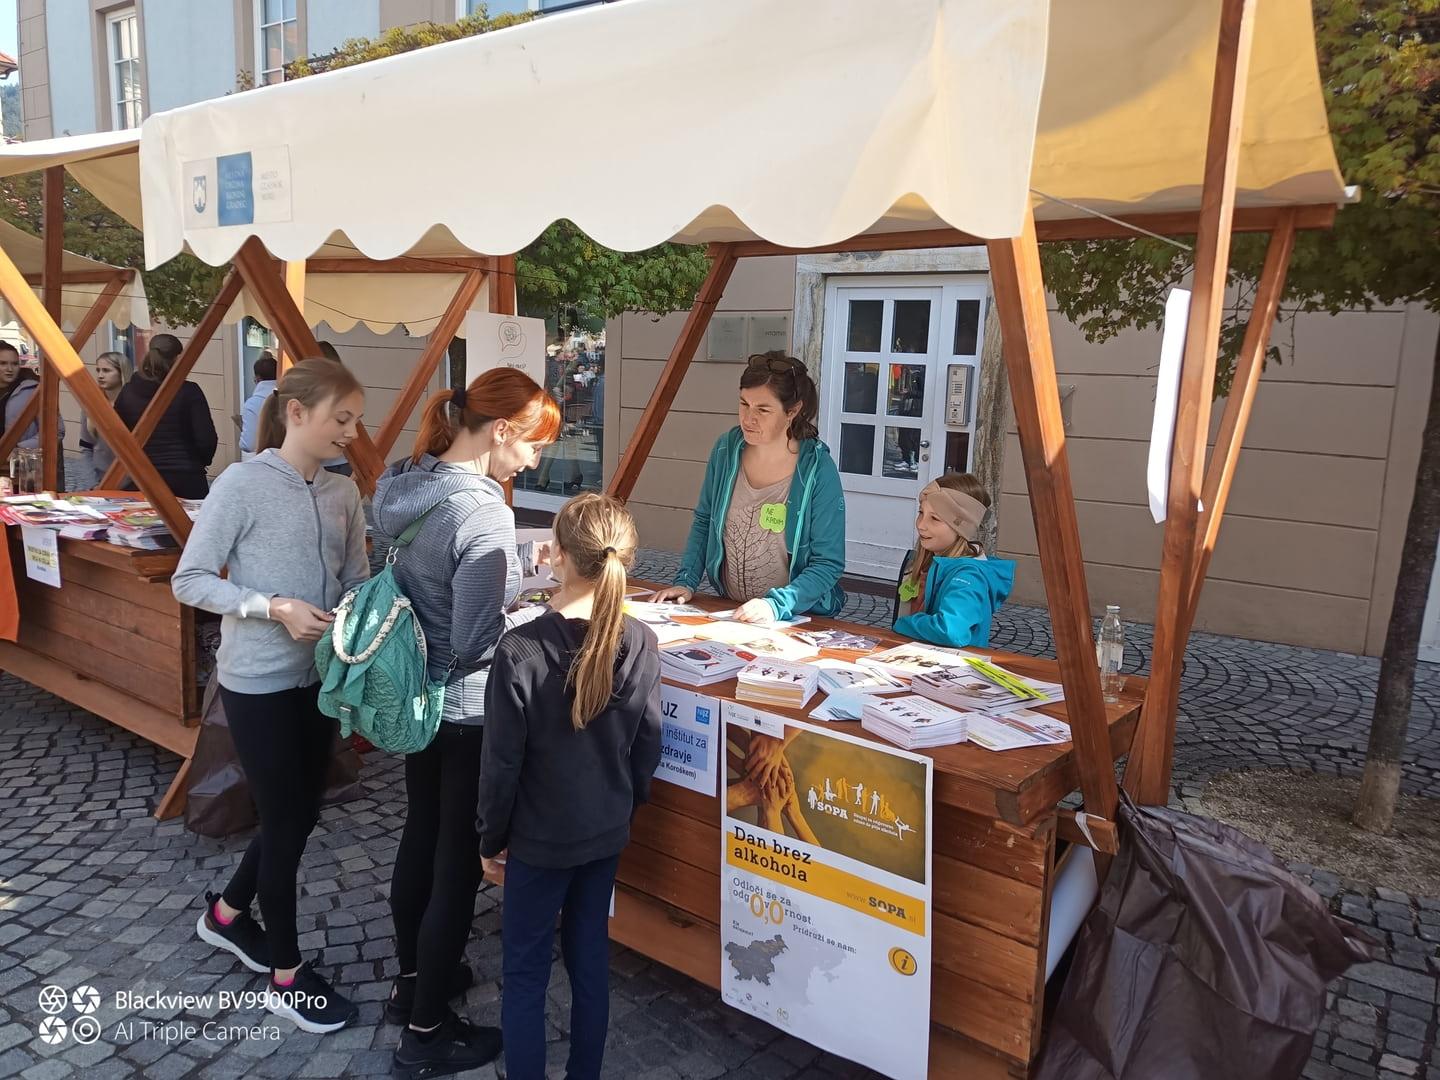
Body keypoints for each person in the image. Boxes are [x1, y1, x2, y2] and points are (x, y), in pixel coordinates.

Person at [372, 368, 561, 1079]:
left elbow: (433, 591)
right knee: (455, 864)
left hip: (414, 695)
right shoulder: (482, 511)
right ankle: (427, 1032)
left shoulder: (407, 481)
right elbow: (477, 635)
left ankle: (413, 983)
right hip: (466, 705)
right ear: (502, 430)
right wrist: (542, 614)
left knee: (420, 837)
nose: (532, 462)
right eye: (533, 445)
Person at [173, 358, 370, 1034]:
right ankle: (286, 977)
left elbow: (355, 576)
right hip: (257, 682)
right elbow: (190, 579)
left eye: (356, 421)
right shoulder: (241, 483)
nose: (351, 433)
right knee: (285, 824)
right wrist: (272, 605)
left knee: (301, 813)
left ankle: (227, 915)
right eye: (341, 419)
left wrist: (355, 613)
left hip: (319, 680)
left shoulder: (343, 493)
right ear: (296, 412)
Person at [478, 492, 663, 1080]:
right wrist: (625, 807)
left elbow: (501, 764)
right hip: (604, 829)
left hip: (539, 839)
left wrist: (490, 839)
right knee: (589, 961)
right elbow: (648, 743)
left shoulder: (520, 650)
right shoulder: (641, 641)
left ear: (554, 555)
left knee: (525, 973)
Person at [653, 352, 846, 623]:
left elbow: (828, 563)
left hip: (796, 619)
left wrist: (776, 605)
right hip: (733, 611)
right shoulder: (726, 449)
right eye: (744, 404)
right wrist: (686, 581)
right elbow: (705, 521)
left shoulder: (818, 469)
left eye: (763, 410)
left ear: (793, 411)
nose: (748, 418)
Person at [892, 472, 1014, 649]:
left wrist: (904, 624)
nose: (921, 524)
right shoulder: (933, 560)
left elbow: (951, 631)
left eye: (935, 518)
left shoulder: (969, 576)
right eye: (921, 512)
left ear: (961, 527)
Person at [114, 333, 218, 498]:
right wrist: (199, 462)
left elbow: (118, 434)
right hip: (186, 477)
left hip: (141, 476)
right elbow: (206, 438)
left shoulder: (128, 392)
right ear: (177, 358)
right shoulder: (189, 391)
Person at [0, 343, 66, 479]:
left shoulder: (33, 391)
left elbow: (56, 431)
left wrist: (19, 449)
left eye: (14, 364)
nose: (9, 369)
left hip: (24, 470)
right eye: (3, 363)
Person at [77, 351, 135, 488]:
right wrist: (92, 483)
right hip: (100, 478)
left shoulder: (134, 404)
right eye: (98, 370)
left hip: (132, 480)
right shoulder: (91, 405)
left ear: (121, 372)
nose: (100, 375)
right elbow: (86, 447)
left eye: (106, 370)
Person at [238, 351, 278, 460]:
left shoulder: (252, 404)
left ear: (257, 378)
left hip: (263, 460)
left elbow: (248, 445)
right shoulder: (289, 397)